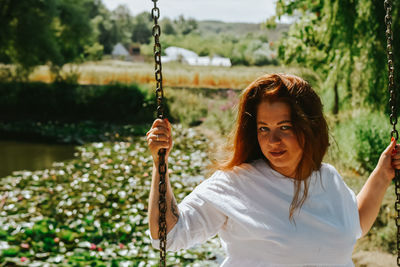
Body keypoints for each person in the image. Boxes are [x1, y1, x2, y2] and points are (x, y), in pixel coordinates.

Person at [146, 73, 400, 266]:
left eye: (285, 127)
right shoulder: (236, 183)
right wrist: (161, 165)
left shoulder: (327, 177)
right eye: (263, 128)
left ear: (309, 127)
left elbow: (353, 224)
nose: (272, 140)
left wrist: (382, 174)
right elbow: (168, 235)